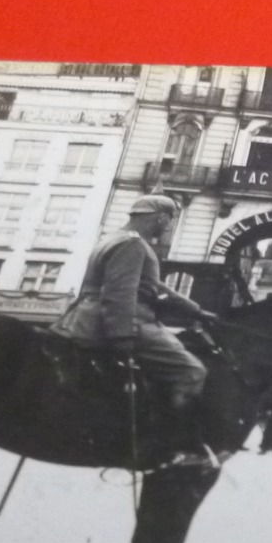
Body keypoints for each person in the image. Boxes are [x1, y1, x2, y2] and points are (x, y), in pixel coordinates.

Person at [51, 194, 218, 465]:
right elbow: (121, 293)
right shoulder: (133, 245)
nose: (168, 227)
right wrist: (123, 334)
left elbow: (153, 286)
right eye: (170, 220)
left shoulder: (113, 238)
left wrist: (195, 310)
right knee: (192, 371)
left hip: (87, 314)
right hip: (128, 320)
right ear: (161, 217)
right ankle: (176, 446)